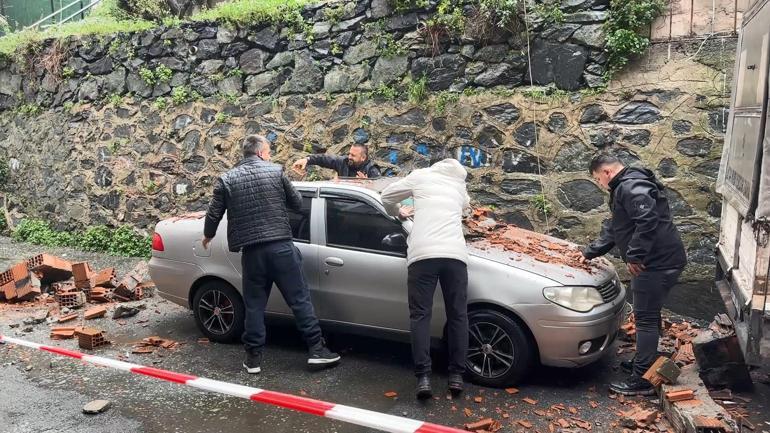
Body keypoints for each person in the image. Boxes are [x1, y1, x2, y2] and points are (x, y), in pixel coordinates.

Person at [202, 135, 340, 374]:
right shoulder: (276, 172)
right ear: (260, 153)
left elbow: (214, 214)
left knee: (254, 306)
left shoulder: (227, 179)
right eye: (269, 151)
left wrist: (208, 236)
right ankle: (317, 350)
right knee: (299, 300)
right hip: (281, 248)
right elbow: (297, 204)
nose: (270, 155)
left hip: (252, 252)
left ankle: (253, 359)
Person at [580, 153, 687, 396]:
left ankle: (643, 378)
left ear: (607, 172)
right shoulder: (627, 184)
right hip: (662, 259)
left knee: (646, 318)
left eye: (598, 179)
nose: (599, 184)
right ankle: (645, 359)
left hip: (656, 264)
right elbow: (618, 227)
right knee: (649, 315)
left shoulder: (630, 187)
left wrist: (636, 255)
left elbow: (647, 220)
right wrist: (590, 252)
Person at [380, 158, 471, 399]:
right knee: (458, 315)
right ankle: (456, 376)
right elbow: (466, 208)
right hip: (455, 255)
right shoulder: (459, 186)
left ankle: (423, 378)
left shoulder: (420, 176)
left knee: (420, 315)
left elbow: (387, 195)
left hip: (422, 255)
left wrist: (399, 213)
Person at [292, 143, 381, 178]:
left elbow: (378, 194)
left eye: (353, 155)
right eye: (349, 153)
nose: (349, 157)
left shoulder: (372, 170)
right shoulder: (343, 162)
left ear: (363, 157)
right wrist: (307, 159)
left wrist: (367, 185)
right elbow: (323, 159)